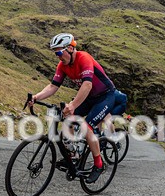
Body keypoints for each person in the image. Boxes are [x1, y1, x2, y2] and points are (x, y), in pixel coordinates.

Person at [28, 33, 117, 183]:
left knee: (87, 127)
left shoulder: (84, 58)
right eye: (55, 53)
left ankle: (98, 164)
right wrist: (36, 97)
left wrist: (73, 105)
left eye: (59, 53)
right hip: (89, 97)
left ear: (70, 48)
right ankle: (74, 155)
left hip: (105, 96)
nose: (58, 57)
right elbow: (53, 86)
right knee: (67, 119)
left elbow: (87, 85)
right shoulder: (62, 66)